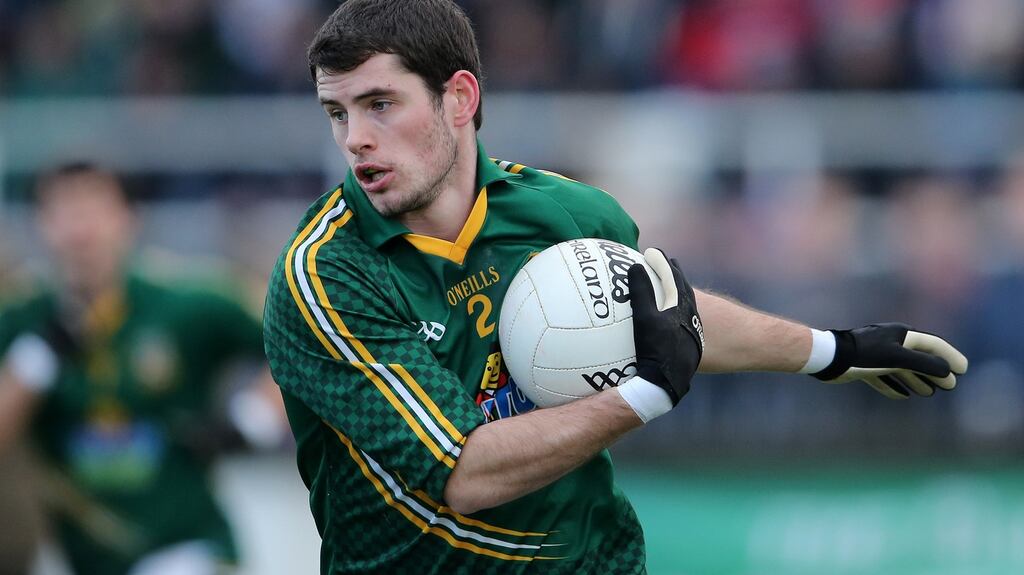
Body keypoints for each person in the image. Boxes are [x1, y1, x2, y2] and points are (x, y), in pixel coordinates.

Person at [262, 1, 969, 573]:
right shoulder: (324, 276)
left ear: (459, 99)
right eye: (338, 112)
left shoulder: (566, 214)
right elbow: (464, 473)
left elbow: (663, 319)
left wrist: (832, 350)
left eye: (380, 103)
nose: (355, 138)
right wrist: (645, 396)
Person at [0, 163, 281, 575]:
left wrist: (254, 418)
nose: (81, 232)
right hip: (91, 554)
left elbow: (294, 341)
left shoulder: (183, 302)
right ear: (41, 224)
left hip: (188, 546)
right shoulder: (21, 317)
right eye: (64, 212)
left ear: (130, 219)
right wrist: (33, 363)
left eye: (94, 210)